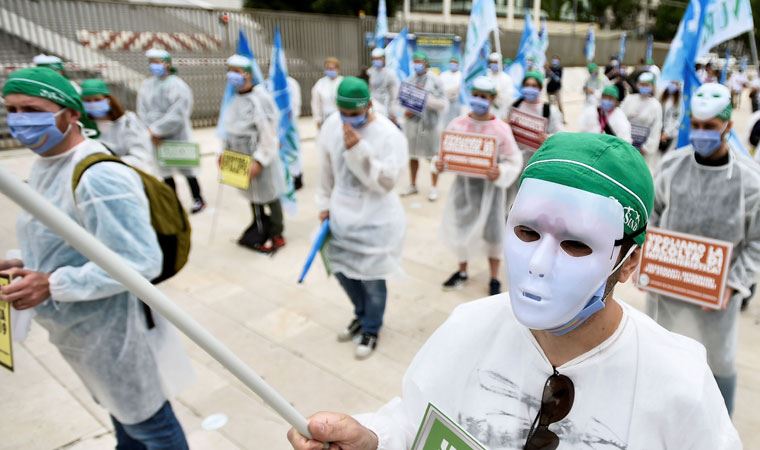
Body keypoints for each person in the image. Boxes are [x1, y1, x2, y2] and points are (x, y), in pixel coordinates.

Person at [287, 132, 740, 450]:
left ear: (629, 262)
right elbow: (414, 421)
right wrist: (374, 440)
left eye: (576, 244)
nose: (539, 265)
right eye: (526, 232)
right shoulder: (468, 328)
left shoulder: (678, 382)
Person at [1, 67, 193, 449]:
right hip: (82, 330)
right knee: (123, 414)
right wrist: (26, 265)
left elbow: (140, 262)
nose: (20, 120)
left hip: (113, 331)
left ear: (71, 114)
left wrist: (51, 283)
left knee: (151, 425)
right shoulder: (46, 165)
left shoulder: (98, 177)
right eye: (12, 110)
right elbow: (69, 240)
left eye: (32, 109)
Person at [647, 82, 760, 417]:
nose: (701, 133)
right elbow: (652, 215)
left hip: (716, 303)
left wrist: (733, 283)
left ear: (727, 125)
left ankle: (717, 430)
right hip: (666, 293)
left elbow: (756, 243)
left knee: (716, 370)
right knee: (665, 362)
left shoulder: (748, 182)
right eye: (695, 125)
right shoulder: (671, 168)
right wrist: (646, 261)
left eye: (709, 127)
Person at [316, 77, 407, 359]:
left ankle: (371, 327)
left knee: (372, 281)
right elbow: (326, 168)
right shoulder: (333, 125)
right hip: (341, 215)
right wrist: (323, 204)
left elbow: (387, 182)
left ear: (368, 106)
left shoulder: (388, 134)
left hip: (375, 221)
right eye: (344, 112)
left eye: (355, 114)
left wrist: (359, 150)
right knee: (343, 273)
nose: (348, 119)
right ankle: (359, 314)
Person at [434, 77, 523, 295]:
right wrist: (439, 164)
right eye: (475, 95)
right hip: (463, 190)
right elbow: (444, 151)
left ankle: (494, 278)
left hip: (491, 193)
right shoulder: (457, 124)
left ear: (492, 99)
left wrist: (500, 171)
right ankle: (462, 271)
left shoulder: (501, 129)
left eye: (484, 97)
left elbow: (514, 160)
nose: (478, 100)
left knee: (493, 234)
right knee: (462, 229)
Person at [222, 55, 287, 253]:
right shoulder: (234, 100)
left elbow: (268, 133)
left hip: (259, 156)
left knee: (269, 194)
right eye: (230, 70)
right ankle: (258, 224)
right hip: (240, 158)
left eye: (236, 71)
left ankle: (276, 231)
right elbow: (229, 129)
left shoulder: (260, 99)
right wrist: (224, 153)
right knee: (251, 194)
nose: (232, 75)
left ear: (247, 74)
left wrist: (259, 160)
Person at [137, 48, 206, 214]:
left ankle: (198, 198)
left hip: (177, 135)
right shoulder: (147, 85)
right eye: (151, 62)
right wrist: (150, 131)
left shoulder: (178, 85)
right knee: (164, 170)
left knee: (187, 170)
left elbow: (179, 113)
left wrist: (157, 130)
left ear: (167, 64)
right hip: (155, 137)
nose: (154, 65)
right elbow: (142, 109)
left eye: (157, 62)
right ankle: (173, 201)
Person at [400, 51, 447, 201]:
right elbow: (401, 101)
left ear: (426, 63)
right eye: (415, 61)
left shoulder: (436, 81)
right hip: (412, 125)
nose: (417, 64)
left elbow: (443, 104)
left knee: (432, 157)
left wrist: (425, 100)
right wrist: (405, 111)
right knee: (412, 155)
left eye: (420, 61)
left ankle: (433, 188)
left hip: (430, 125)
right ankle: (413, 185)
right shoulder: (409, 80)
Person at [80, 78, 154, 173]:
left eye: (97, 99)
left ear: (108, 100)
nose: (93, 104)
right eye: (88, 101)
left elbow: (141, 157)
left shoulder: (127, 122)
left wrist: (111, 164)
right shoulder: (83, 126)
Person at [509, 70, 564, 166]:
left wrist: (548, 138)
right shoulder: (515, 105)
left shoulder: (550, 110)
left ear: (540, 88)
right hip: (516, 161)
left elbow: (561, 136)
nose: (529, 88)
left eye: (534, 86)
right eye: (527, 85)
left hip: (536, 162)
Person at [621, 72, 662, 168]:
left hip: (644, 150)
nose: (644, 87)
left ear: (652, 86)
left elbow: (656, 128)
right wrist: (625, 141)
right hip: (626, 144)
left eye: (647, 85)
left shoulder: (655, 105)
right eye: (642, 84)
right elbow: (621, 121)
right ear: (637, 85)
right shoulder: (629, 100)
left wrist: (647, 147)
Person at [367, 48, 399, 122]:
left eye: (378, 59)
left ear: (384, 58)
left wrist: (393, 112)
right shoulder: (369, 72)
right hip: (372, 106)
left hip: (386, 106)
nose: (376, 61)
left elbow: (394, 95)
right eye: (374, 59)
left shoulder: (391, 74)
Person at [311, 57, 343, 129]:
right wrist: (317, 119)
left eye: (332, 68)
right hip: (325, 118)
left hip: (341, 118)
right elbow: (315, 103)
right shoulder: (320, 83)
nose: (330, 70)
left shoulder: (343, 82)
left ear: (338, 69)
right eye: (328, 69)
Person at [486, 52, 515, 120]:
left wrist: (498, 95)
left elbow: (509, 98)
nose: (493, 64)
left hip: (500, 112)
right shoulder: (486, 75)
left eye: (495, 62)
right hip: (487, 111)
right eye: (491, 62)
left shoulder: (506, 78)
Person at [659, 80, 683, 153]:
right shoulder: (663, 96)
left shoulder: (680, 100)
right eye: (671, 83)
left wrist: (667, 133)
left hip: (671, 134)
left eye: (675, 83)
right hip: (660, 131)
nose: (672, 85)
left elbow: (677, 120)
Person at [439, 55, 463, 126]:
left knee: (456, 122)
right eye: (451, 63)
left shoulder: (461, 75)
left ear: (458, 64)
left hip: (456, 102)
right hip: (445, 101)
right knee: (445, 123)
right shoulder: (444, 75)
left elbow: (460, 88)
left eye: (455, 63)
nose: (453, 65)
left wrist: (453, 91)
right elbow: (440, 88)